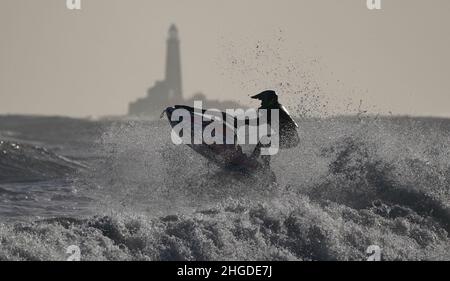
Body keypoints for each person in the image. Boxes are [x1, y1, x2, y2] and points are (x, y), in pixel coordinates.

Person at [249, 90, 300, 165]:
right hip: (287, 137)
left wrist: (238, 122)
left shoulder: (275, 109)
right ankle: (260, 163)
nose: (261, 103)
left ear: (271, 100)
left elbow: (258, 122)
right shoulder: (274, 108)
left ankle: (255, 162)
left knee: (264, 141)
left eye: (263, 100)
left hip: (290, 138)